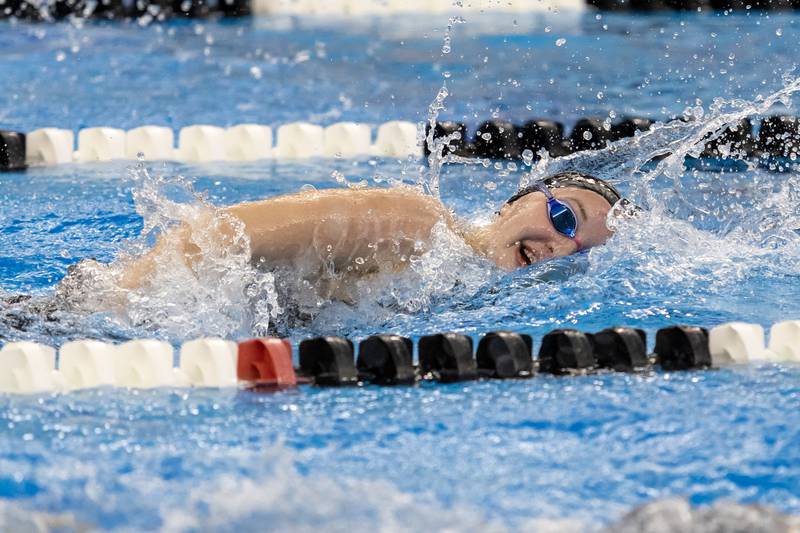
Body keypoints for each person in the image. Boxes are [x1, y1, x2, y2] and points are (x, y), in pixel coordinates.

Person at [111, 171, 622, 293]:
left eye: (578, 254)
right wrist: (124, 303)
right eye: (564, 218)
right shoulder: (414, 223)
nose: (558, 247)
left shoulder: (458, 283)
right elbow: (218, 235)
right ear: (516, 204)